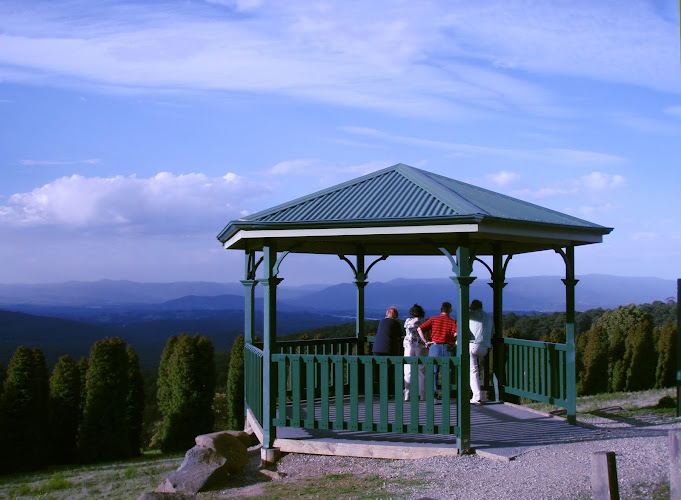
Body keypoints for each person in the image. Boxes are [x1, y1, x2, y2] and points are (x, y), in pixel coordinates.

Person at [417, 302, 457, 400]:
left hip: (434, 347)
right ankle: (446, 395)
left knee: (432, 372)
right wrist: (454, 343)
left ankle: (434, 397)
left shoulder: (434, 319)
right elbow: (456, 334)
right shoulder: (452, 322)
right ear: (450, 310)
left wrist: (426, 342)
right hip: (447, 348)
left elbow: (419, 329)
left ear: (441, 309)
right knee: (447, 372)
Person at [469, 299, 494, 404]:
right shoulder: (489, 317)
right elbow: (493, 332)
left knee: (473, 370)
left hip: (473, 345)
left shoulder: (470, 315)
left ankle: (476, 396)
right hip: (485, 348)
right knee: (477, 369)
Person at [402, 304, 427, 401]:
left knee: (408, 370)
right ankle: (423, 394)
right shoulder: (424, 321)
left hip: (408, 345)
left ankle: (407, 393)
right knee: (422, 370)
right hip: (420, 345)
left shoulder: (408, 321)